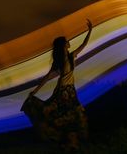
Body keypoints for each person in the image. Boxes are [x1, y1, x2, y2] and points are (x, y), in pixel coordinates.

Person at [21, 19, 93, 150]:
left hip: (71, 90)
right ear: (63, 45)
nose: (68, 42)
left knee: (75, 115)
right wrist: (35, 92)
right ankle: (66, 142)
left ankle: (71, 143)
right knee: (63, 115)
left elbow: (83, 45)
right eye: (66, 41)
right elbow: (47, 78)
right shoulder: (59, 61)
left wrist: (90, 30)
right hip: (62, 91)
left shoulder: (71, 56)